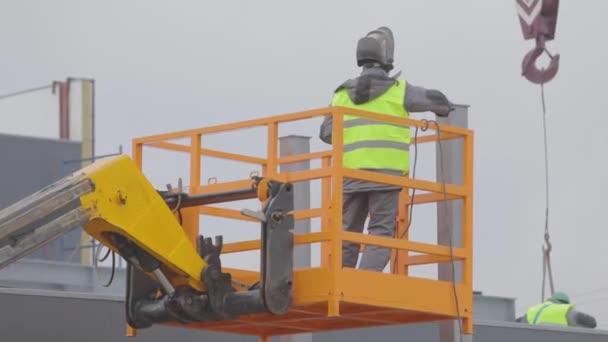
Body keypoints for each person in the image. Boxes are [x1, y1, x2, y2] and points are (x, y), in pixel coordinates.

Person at [318, 26, 454, 271]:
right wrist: (446, 107)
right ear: (386, 55)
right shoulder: (398, 90)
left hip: (350, 176)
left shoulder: (341, 94)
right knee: (380, 231)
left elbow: (326, 133)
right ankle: (363, 282)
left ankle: (342, 281)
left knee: (347, 233)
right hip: (384, 175)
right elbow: (437, 100)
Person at [516, 292, 597, 328]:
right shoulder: (564, 310)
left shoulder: (532, 310)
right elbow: (590, 322)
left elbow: (517, 324)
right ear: (565, 303)